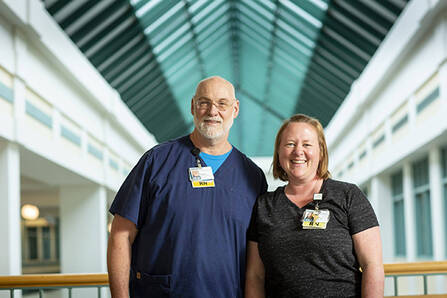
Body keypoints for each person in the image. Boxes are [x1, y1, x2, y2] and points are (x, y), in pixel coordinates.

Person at [107, 76, 267, 298]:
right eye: (204, 102)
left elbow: (255, 262)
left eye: (222, 103)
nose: (213, 111)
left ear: (235, 109)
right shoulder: (156, 162)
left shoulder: (252, 177)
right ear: (193, 106)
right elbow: (120, 235)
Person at [245, 114, 384, 298]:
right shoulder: (264, 206)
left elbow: (372, 266)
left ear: (321, 152)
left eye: (307, 144)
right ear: (279, 152)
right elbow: (255, 276)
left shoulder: (348, 196)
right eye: (290, 144)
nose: (298, 151)